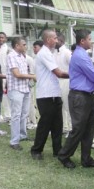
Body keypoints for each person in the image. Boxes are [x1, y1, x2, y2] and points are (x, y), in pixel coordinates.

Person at [57, 29, 94, 169]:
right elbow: (93, 75)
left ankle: (86, 159)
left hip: (87, 96)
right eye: (89, 39)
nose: (91, 41)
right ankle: (64, 155)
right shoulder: (80, 55)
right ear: (82, 41)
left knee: (88, 129)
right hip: (80, 97)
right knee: (78, 129)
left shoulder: (82, 54)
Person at [30, 30, 69, 160]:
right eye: (55, 38)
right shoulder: (44, 53)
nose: (57, 40)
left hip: (54, 94)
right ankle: (36, 150)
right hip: (46, 95)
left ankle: (57, 150)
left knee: (57, 125)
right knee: (45, 125)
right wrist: (76, 75)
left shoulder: (50, 53)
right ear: (48, 40)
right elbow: (58, 73)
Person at [6, 37, 36, 150]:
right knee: (16, 115)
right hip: (16, 90)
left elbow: (23, 72)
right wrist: (32, 76)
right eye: (24, 44)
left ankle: (23, 135)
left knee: (24, 114)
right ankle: (14, 141)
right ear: (17, 46)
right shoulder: (11, 56)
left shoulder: (23, 56)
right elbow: (17, 74)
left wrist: (30, 79)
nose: (26, 46)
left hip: (25, 89)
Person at [53, 32, 72, 135]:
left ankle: (71, 129)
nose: (55, 41)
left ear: (62, 41)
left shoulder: (67, 52)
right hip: (56, 82)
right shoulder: (54, 52)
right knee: (59, 107)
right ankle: (63, 127)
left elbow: (73, 68)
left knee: (68, 106)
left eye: (56, 39)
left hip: (66, 82)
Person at [0, 32, 11, 122]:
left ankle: (10, 115)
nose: (1, 39)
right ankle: (6, 115)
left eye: (2, 38)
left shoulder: (8, 49)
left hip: (7, 75)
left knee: (8, 95)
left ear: (5, 39)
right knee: (2, 96)